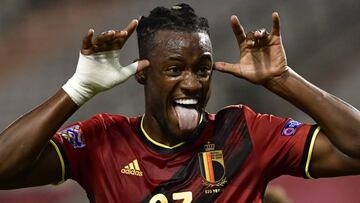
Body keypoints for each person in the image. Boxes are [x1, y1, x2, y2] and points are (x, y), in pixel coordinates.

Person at [0, 3, 359, 203]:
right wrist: (77, 90)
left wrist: (284, 80)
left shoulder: (245, 134)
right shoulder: (103, 141)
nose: (192, 83)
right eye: (174, 70)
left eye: (202, 69)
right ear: (142, 74)